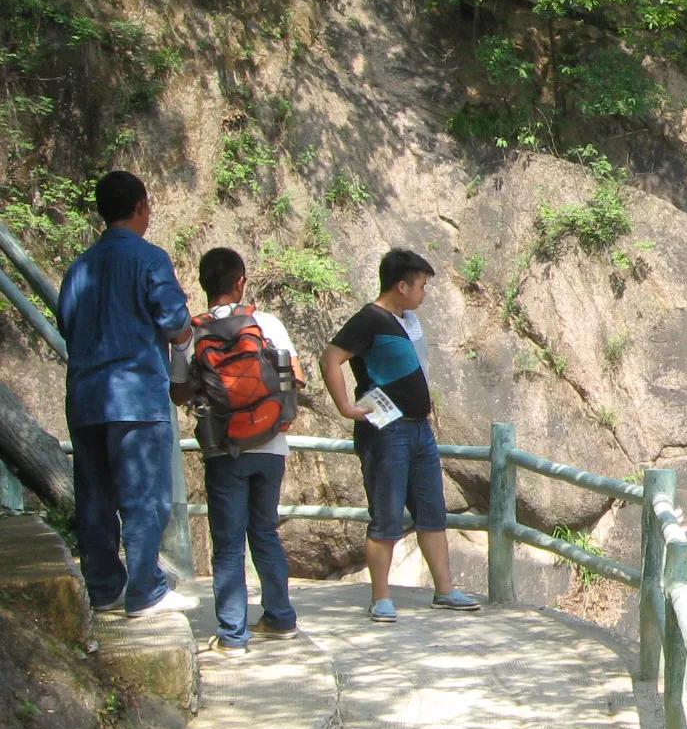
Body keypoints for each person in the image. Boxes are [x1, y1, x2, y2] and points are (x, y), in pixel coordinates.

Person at [56, 171, 194, 618]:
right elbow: (174, 323)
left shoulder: (79, 267)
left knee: (95, 498)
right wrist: (187, 329)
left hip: (86, 397)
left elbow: (67, 325)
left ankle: (102, 589)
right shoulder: (149, 259)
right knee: (144, 496)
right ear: (140, 207)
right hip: (135, 395)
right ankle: (145, 590)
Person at [320, 248, 481, 622]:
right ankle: (381, 597)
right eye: (421, 286)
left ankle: (444, 590)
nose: (424, 294)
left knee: (432, 511)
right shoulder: (369, 320)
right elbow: (330, 358)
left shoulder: (409, 321)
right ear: (401, 285)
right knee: (387, 513)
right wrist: (346, 407)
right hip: (386, 431)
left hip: (420, 429)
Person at [170, 247, 301, 654]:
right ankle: (280, 618)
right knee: (264, 532)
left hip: (223, 448)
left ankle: (232, 635)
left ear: (203, 283)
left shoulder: (192, 334)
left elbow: (177, 393)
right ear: (241, 281)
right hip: (271, 444)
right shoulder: (267, 323)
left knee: (228, 543)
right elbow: (293, 377)